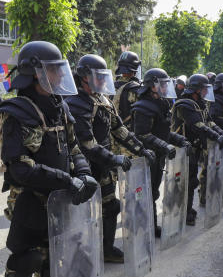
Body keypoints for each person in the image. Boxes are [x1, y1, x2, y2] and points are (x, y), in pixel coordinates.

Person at [0, 40, 98, 277]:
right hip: (29, 198)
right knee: (26, 257)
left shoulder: (60, 106)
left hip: (59, 196)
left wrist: (82, 174)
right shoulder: (17, 113)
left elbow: (75, 147)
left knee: (55, 252)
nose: (58, 76)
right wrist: (67, 180)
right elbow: (21, 169)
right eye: (52, 70)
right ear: (35, 73)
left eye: (59, 70)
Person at [66, 54, 154, 263]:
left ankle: (106, 250)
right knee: (81, 213)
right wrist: (114, 159)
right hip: (82, 167)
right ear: (84, 77)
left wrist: (141, 149)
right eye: (96, 76)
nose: (100, 81)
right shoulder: (75, 103)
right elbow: (87, 144)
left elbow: (118, 129)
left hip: (102, 165)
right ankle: (79, 255)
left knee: (111, 207)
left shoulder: (102, 99)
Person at [131, 69, 189, 236]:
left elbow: (163, 132)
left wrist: (179, 140)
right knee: (144, 194)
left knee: (154, 192)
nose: (165, 87)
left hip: (159, 156)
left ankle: (150, 226)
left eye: (166, 83)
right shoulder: (142, 107)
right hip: (145, 157)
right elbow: (142, 134)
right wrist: (165, 145)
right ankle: (143, 227)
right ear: (152, 86)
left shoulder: (161, 104)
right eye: (162, 84)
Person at [171, 74, 223, 226]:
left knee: (191, 180)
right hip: (182, 147)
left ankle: (187, 208)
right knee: (186, 181)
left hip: (194, 146)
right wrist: (216, 136)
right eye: (203, 89)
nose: (205, 92)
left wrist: (221, 132)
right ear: (196, 89)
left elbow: (208, 121)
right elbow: (197, 125)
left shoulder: (200, 103)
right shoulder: (185, 104)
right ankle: (183, 211)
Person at [113, 50, 142, 132]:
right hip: (130, 133)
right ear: (135, 69)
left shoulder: (111, 86)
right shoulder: (136, 88)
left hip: (111, 132)